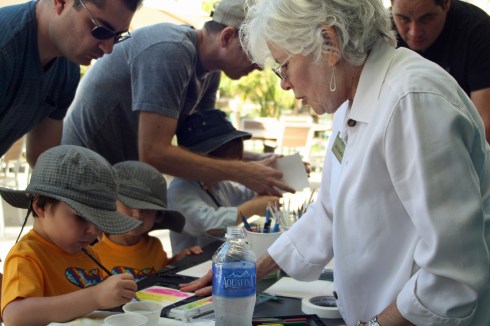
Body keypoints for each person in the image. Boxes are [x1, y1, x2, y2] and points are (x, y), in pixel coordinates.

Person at [180, 0, 490, 325]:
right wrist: (253, 268)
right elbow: (329, 211)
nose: (283, 82)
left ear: (329, 43)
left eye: (284, 65)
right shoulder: (349, 100)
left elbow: (453, 270)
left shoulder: (412, 100)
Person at [61, 0, 294, 196]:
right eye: (255, 52)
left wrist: (259, 162)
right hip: (80, 175)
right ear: (227, 37)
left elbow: (200, 148)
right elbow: (154, 153)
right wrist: (242, 172)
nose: (260, 66)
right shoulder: (171, 50)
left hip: (116, 179)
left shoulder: (210, 74)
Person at [0, 145, 142, 325]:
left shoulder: (88, 253)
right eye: (81, 217)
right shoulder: (26, 256)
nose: (93, 230)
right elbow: (15, 316)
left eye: (99, 220)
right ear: (40, 206)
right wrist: (95, 297)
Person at [0, 0, 142, 166]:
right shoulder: (5, 48)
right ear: (61, 3)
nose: (108, 48)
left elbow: (42, 158)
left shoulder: (67, 67)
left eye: (117, 37)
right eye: (102, 30)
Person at [168, 109, 280, 254]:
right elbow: (210, 225)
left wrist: (279, 173)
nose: (233, 168)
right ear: (202, 158)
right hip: (190, 267)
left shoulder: (217, 183)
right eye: (229, 163)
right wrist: (252, 208)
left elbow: (247, 193)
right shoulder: (180, 190)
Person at [391, 0, 490, 142]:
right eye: (403, 19)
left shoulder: (478, 31)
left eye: (426, 18)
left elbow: (485, 128)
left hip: (463, 138)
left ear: (446, 3)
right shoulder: (383, 33)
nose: (415, 32)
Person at [92, 160, 203, 282]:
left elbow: (160, 274)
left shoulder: (155, 245)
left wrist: (178, 260)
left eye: (147, 209)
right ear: (110, 205)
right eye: (128, 205)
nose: (138, 214)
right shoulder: (94, 255)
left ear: (157, 215)